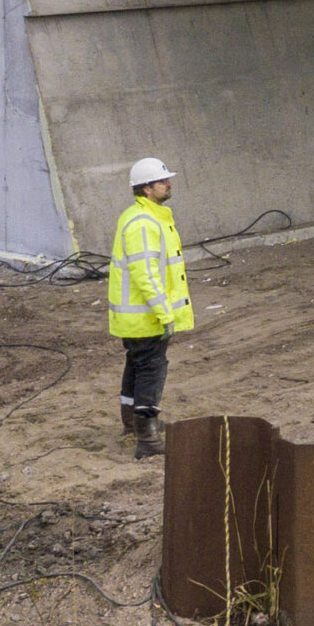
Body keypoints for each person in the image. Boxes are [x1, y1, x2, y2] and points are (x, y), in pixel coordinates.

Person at [109, 156, 192, 458]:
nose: (168, 183)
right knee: (151, 370)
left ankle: (132, 424)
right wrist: (164, 313)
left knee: (137, 365)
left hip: (135, 319)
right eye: (162, 181)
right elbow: (147, 275)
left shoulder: (142, 217)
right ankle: (148, 438)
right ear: (146, 189)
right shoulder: (144, 223)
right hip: (146, 318)